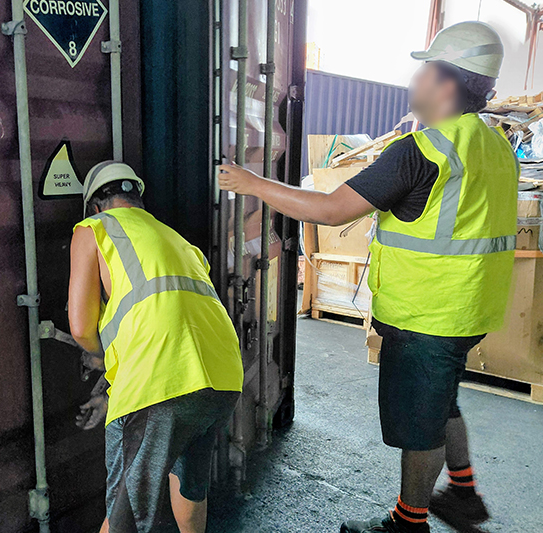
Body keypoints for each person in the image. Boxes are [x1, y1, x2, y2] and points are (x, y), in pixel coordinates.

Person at [219, 21, 517, 533]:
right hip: (471, 308)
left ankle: (409, 522)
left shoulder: (422, 152)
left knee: (419, 424)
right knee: (442, 400)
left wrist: (251, 182)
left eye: (424, 69)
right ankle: (464, 493)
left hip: (428, 315)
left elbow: (332, 210)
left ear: (446, 84)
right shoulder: (493, 145)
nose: (415, 79)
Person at [68, 161, 244, 533]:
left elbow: (82, 327)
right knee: (190, 483)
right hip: (223, 375)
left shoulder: (93, 229)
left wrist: (100, 358)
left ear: (95, 205)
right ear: (136, 198)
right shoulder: (175, 237)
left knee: (124, 517)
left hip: (161, 382)